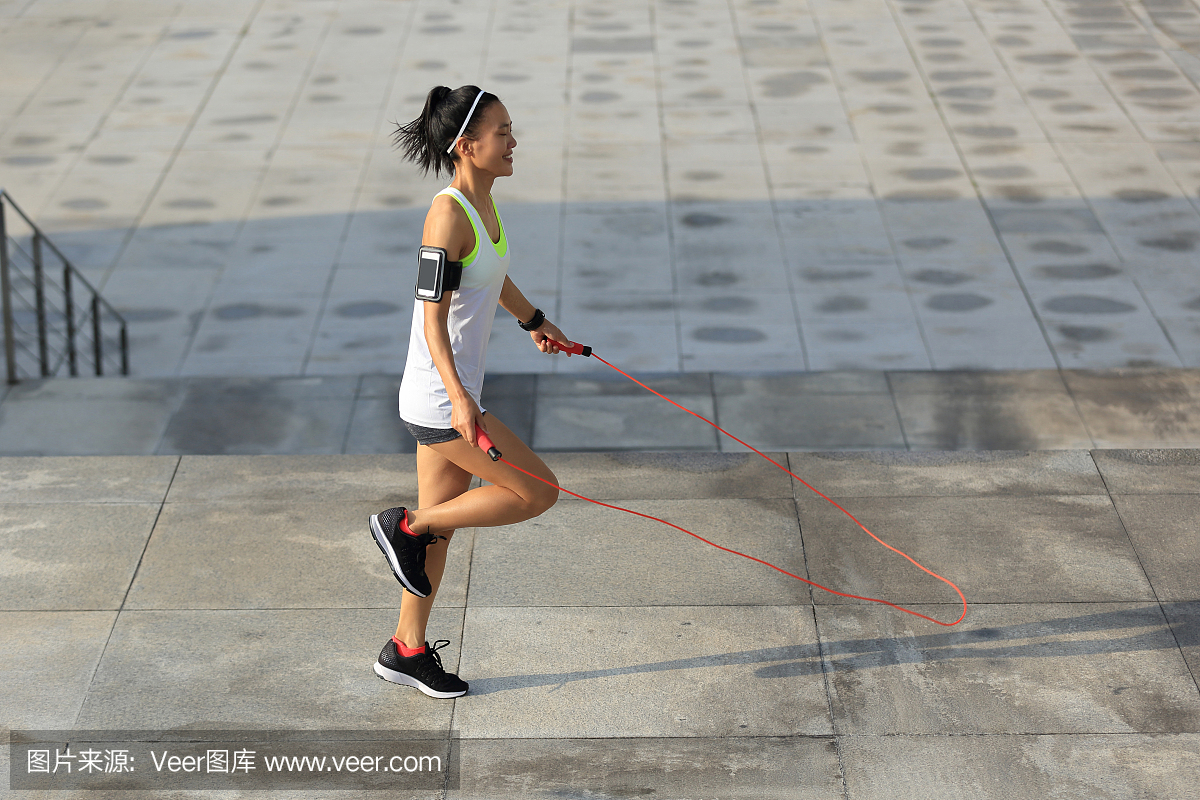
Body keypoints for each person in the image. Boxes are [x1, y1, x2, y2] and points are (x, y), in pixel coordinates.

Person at [368, 85, 573, 699]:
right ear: (467, 145)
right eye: (503, 132)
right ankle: (405, 525)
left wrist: (535, 321)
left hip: (454, 392)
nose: (513, 142)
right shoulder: (448, 214)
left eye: (512, 129)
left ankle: (406, 649)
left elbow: (493, 274)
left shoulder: (485, 205)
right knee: (537, 491)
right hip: (440, 398)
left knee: (443, 534)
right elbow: (430, 317)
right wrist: (459, 400)